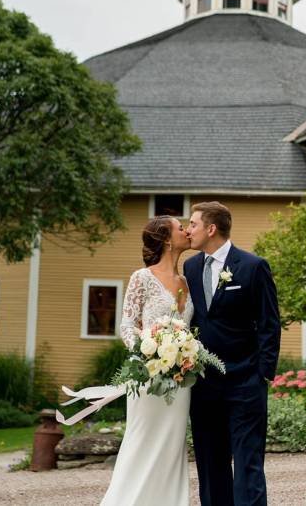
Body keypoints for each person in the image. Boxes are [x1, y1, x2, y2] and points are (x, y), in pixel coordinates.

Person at [184, 201, 281, 506]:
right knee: (211, 466)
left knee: (247, 463)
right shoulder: (191, 267)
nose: (188, 231)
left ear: (211, 229)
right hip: (204, 385)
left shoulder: (253, 266)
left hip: (245, 382)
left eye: (193, 224)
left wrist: (262, 373)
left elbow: (269, 323)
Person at [100, 215, 193, 506]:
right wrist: (148, 352)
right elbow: (127, 326)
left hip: (181, 381)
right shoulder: (142, 278)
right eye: (181, 228)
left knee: (172, 446)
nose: (188, 230)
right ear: (167, 238)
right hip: (147, 376)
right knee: (142, 442)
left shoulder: (187, 281)